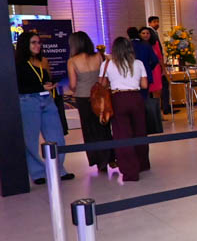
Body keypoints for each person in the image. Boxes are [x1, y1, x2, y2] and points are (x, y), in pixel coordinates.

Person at [14, 31, 74, 184]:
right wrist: (39, 87)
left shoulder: (43, 61)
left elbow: (46, 78)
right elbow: (19, 86)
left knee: (57, 136)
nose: (38, 45)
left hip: (47, 100)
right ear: (25, 45)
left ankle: (58, 169)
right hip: (28, 101)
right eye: (33, 43)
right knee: (31, 140)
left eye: (39, 42)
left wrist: (51, 83)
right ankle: (38, 173)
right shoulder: (18, 64)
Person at [67, 31, 115, 172]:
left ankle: (98, 161)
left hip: (83, 97)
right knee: (103, 127)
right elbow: (105, 78)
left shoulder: (72, 61)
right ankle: (110, 157)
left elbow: (73, 85)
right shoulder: (99, 56)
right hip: (100, 97)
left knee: (89, 130)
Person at [105, 37, 150, 181]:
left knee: (122, 135)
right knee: (140, 132)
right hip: (136, 98)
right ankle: (142, 164)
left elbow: (103, 84)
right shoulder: (138, 63)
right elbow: (144, 85)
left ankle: (130, 170)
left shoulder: (108, 64)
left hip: (118, 99)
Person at [140, 26, 169, 117]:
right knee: (146, 93)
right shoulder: (139, 45)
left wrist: (164, 70)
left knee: (157, 92)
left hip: (155, 70)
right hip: (144, 70)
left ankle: (159, 115)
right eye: (143, 33)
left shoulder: (155, 44)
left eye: (147, 33)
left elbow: (160, 58)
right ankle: (148, 115)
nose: (145, 35)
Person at [126, 26, 158, 98]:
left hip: (131, 74)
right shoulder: (146, 45)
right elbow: (155, 60)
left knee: (133, 97)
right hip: (146, 74)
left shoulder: (127, 46)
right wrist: (149, 68)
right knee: (144, 97)